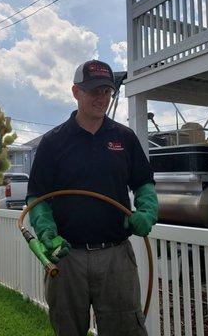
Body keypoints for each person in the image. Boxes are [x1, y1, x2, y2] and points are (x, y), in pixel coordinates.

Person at [26, 59, 158, 336]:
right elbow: (37, 197)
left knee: (126, 329)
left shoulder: (125, 137)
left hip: (116, 255)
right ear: (76, 92)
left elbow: (144, 183)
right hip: (67, 258)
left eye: (107, 91)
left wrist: (146, 211)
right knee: (68, 329)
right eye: (94, 90)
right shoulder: (53, 142)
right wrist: (47, 233)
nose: (102, 97)